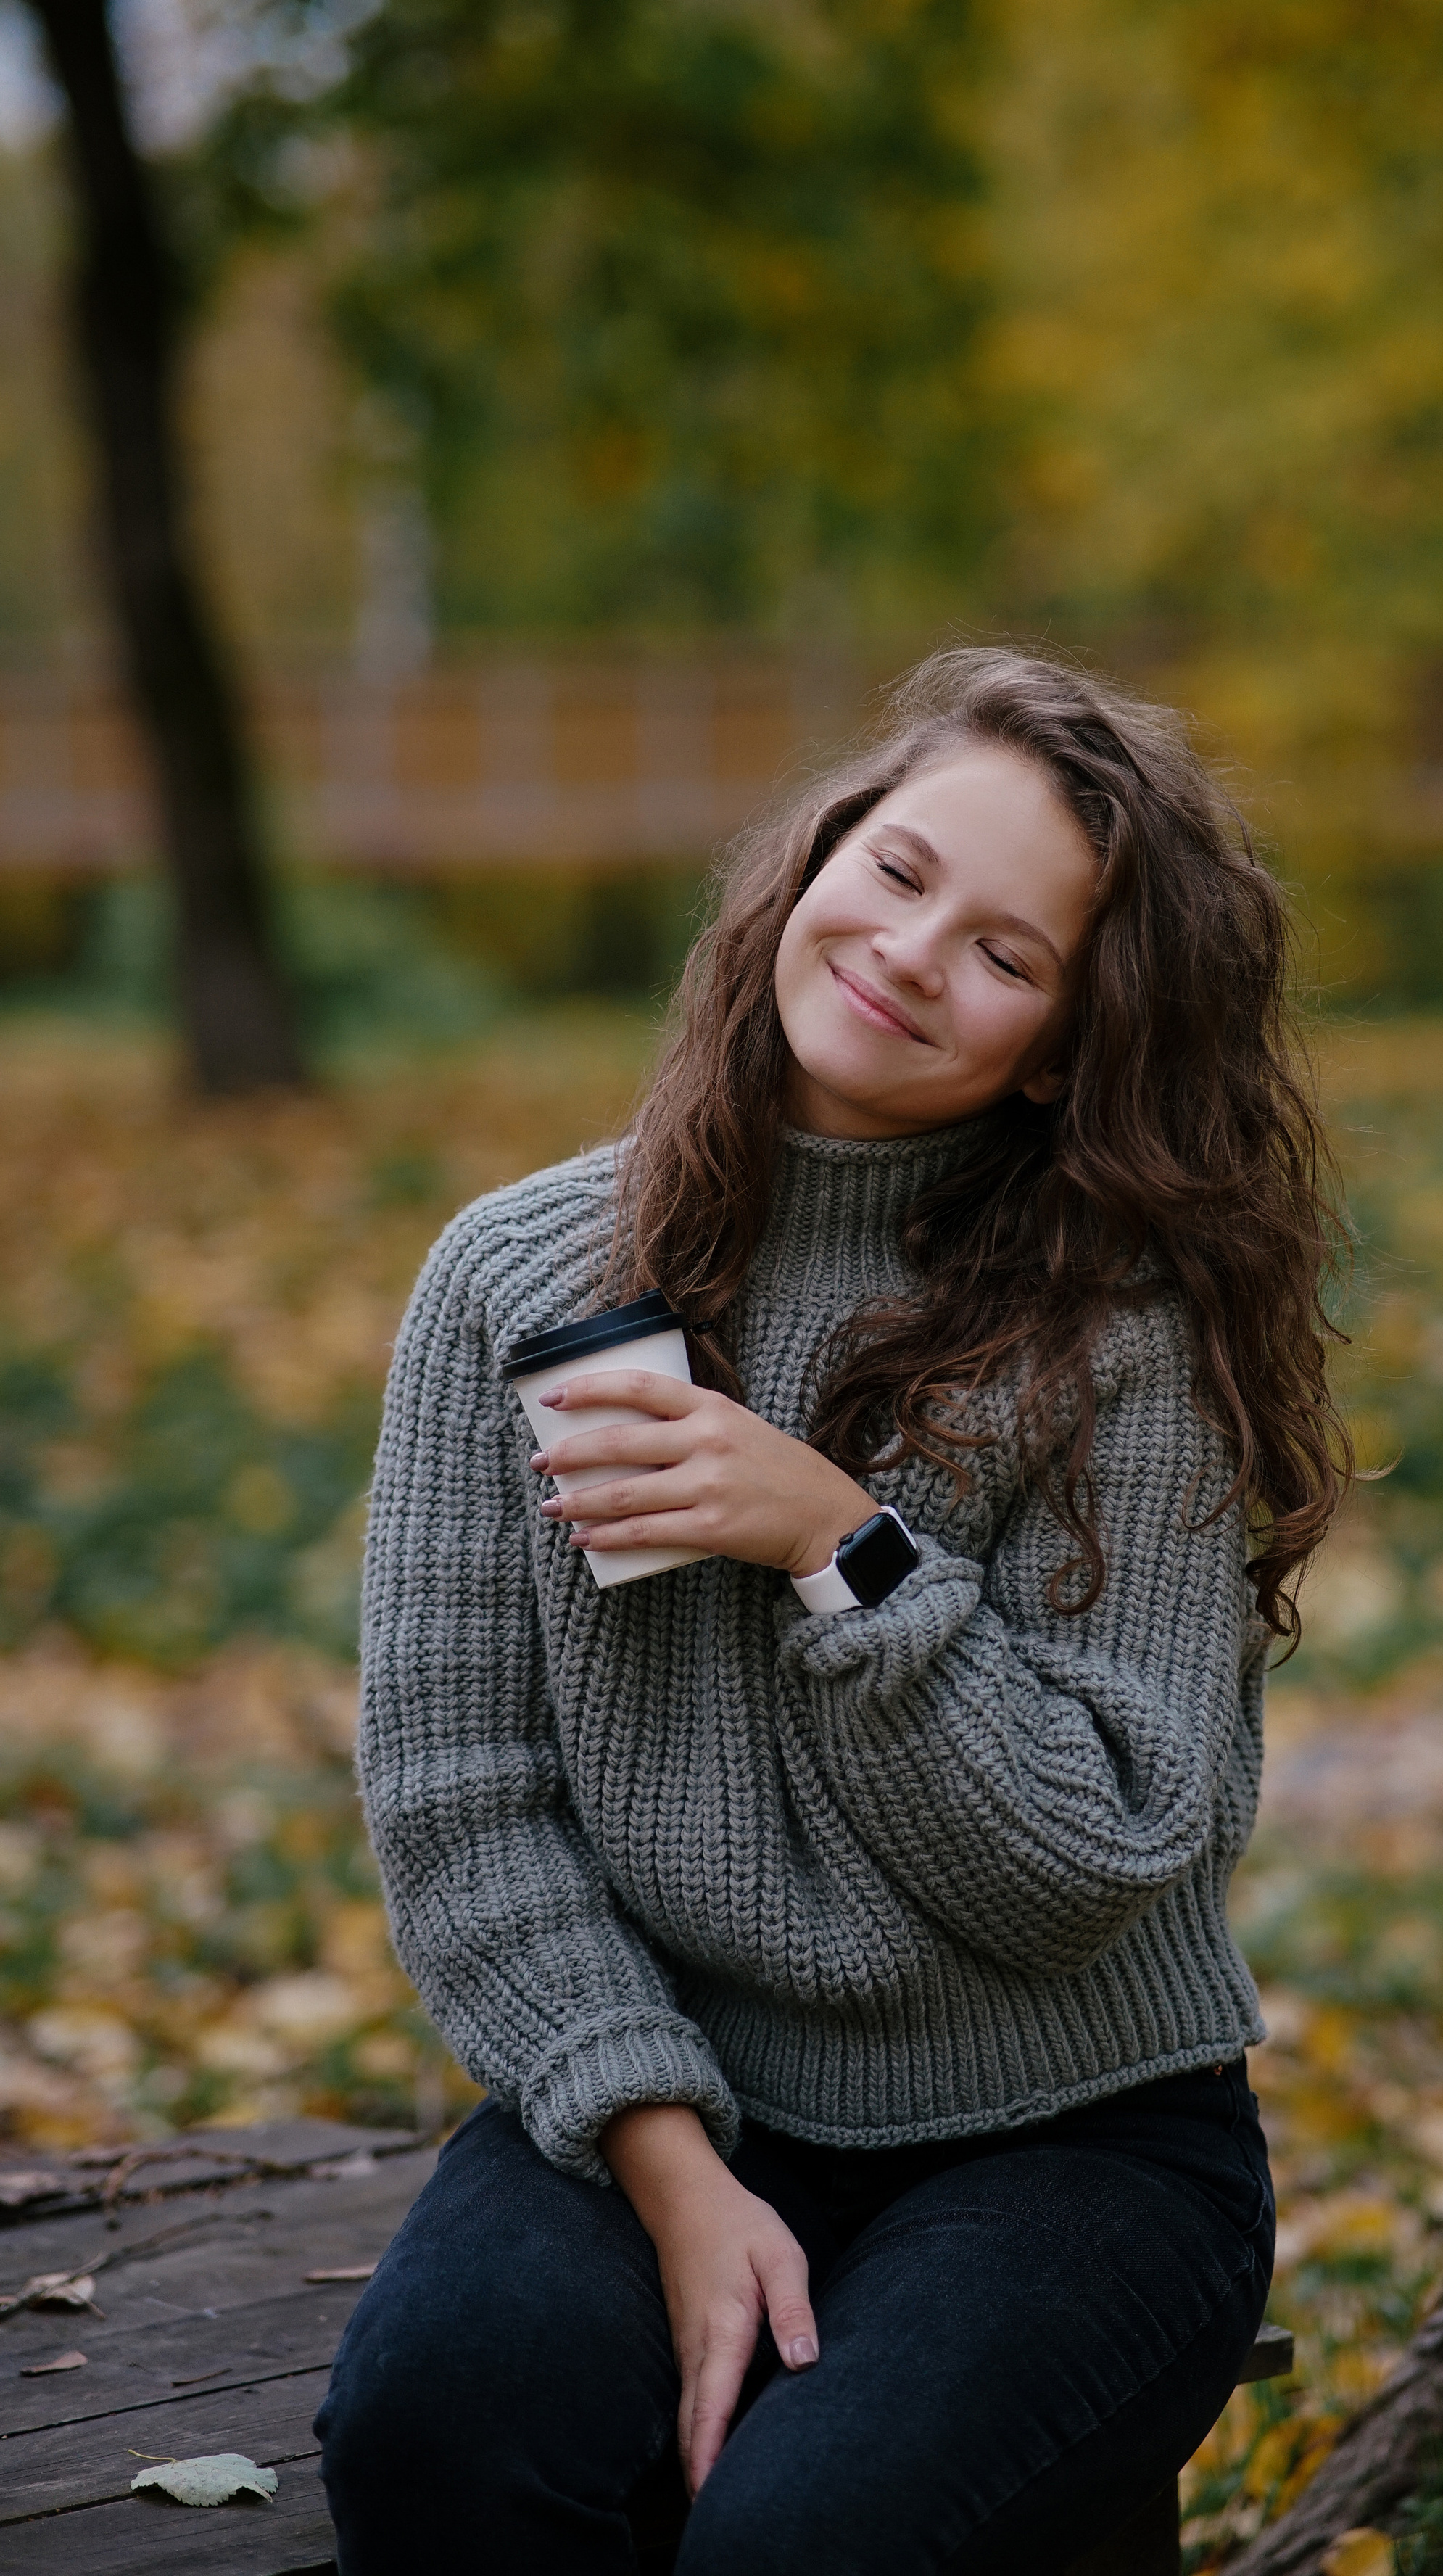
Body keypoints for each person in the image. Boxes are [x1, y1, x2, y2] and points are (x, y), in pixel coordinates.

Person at [315, 648, 1348, 2574]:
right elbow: (462, 1798)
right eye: (898, 870)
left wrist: (840, 1547)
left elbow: (1099, 1855)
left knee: (800, 2545)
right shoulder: (518, 1278)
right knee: (435, 2428)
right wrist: (672, 2169)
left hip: (1074, 2137)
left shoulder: (1127, 1334)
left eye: (1006, 953)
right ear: (817, 856)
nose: (909, 953)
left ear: (1065, 1048)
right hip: (677, 2087)